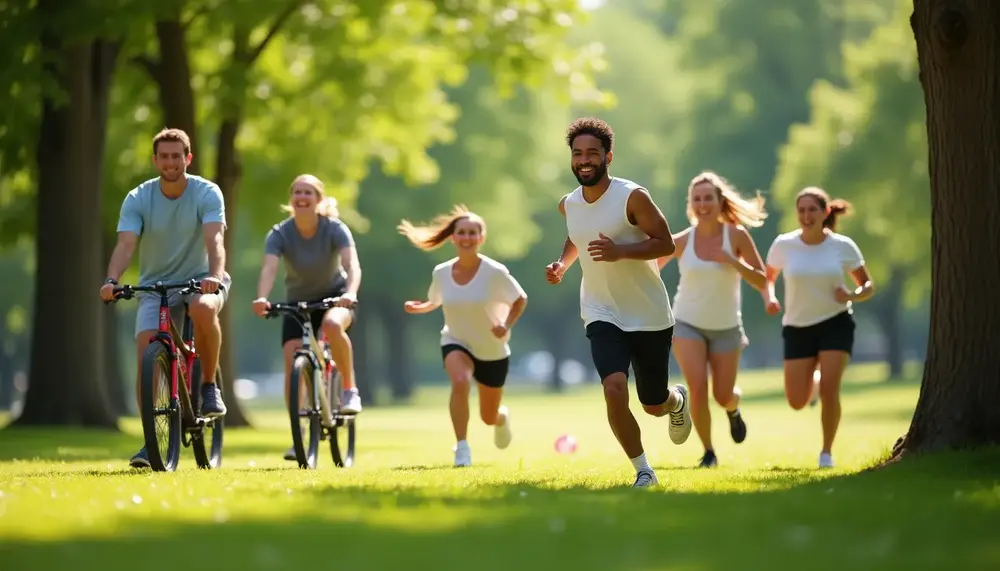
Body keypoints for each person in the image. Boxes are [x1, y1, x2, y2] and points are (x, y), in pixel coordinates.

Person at [545, 117, 692, 488]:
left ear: (608, 156)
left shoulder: (632, 196)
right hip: (600, 310)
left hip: (648, 313)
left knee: (652, 403)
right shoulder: (569, 204)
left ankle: (675, 401)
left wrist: (620, 251)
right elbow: (577, 237)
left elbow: (665, 243)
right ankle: (644, 470)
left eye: (592, 153)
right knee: (613, 388)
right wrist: (563, 264)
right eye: (577, 153)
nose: (584, 160)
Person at [99, 127, 231, 469]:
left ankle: (206, 387)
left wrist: (214, 276)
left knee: (203, 310)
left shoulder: (206, 192)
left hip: (202, 281)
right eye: (164, 156)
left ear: (188, 158)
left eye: (177, 156)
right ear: (155, 160)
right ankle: (150, 443)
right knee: (147, 348)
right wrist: (112, 280)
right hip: (156, 284)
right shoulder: (138, 198)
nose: (171, 162)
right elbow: (126, 244)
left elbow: (215, 239)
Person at [399, 205, 527, 468]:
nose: (467, 237)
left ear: (481, 238)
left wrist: (506, 324)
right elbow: (435, 301)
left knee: (488, 416)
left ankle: (501, 418)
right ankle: (462, 448)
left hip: (492, 349)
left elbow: (520, 299)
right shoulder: (441, 272)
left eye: (472, 233)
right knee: (460, 381)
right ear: (453, 238)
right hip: (455, 340)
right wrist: (418, 307)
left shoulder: (495, 272)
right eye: (462, 233)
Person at [657, 171, 768, 468]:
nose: (703, 204)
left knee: (722, 394)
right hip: (686, 323)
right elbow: (649, 268)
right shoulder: (682, 240)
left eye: (708, 198)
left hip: (726, 328)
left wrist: (733, 261)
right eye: (697, 199)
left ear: (720, 201)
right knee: (697, 387)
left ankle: (733, 408)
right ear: (690, 204)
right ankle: (708, 452)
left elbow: (762, 280)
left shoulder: (737, 236)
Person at [251, 174, 363, 462]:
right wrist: (262, 297)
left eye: (308, 192)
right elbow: (269, 269)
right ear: (291, 199)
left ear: (319, 200)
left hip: (335, 297)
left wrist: (350, 292)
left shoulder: (334, 228)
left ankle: (349, 390)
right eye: (297, 192)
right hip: (298, 303)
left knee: (332, 325)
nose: (302, 197)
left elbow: (352, 264)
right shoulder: (280, 233)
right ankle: (298, 434)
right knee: (292, 361)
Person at [762, 186, 875, 469]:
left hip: (835, 323)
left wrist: (851, 295)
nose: (806, 215)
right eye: (801, 210)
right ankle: (812, 385)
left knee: (830, 390)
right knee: (796, 401)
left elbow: (867, 285)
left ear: (825, 213)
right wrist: (771, 297)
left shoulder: (842, 246)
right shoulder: (784, 245)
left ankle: (826, 453)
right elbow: (768, 277)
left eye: (812, 209)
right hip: (798, 327)